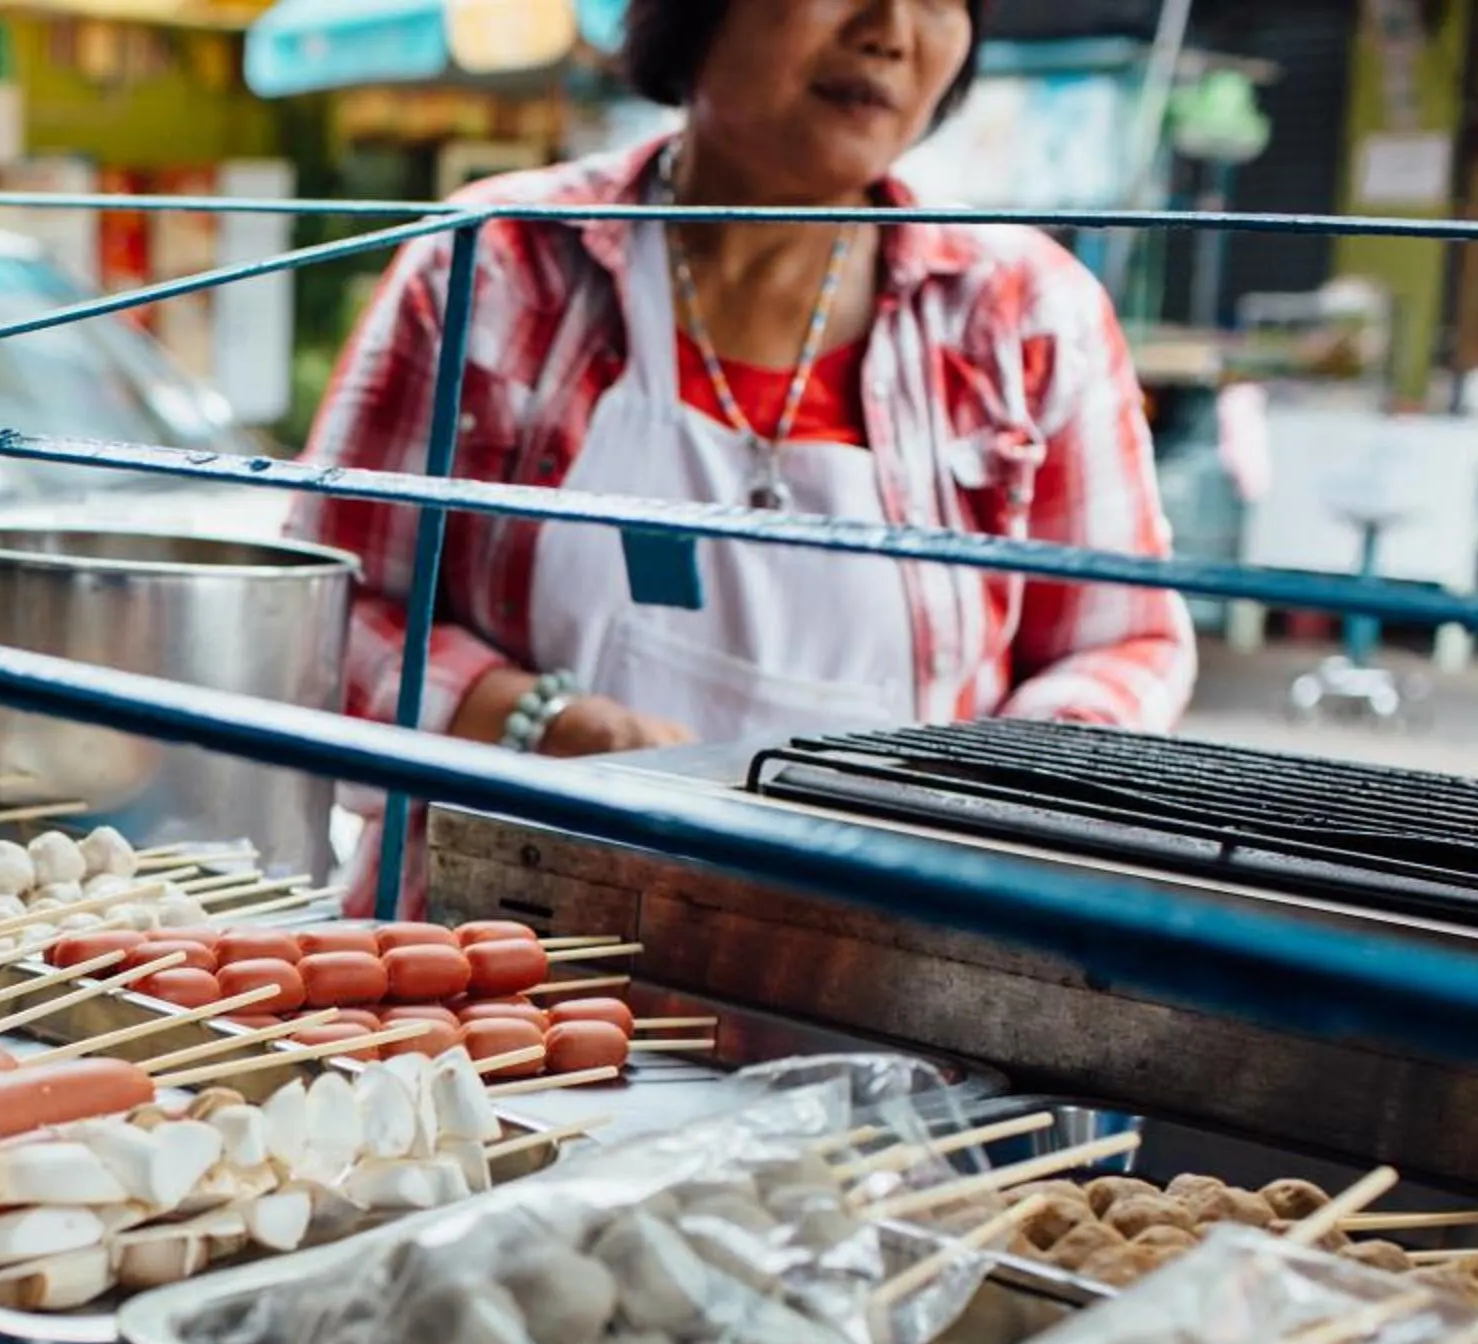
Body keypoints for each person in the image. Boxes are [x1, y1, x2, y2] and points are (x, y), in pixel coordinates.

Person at [299, 0, 1193, 910]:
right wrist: (539, 723)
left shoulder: (1026, 315)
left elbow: (1124, 642)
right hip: (482, 962)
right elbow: (326, 607)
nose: (890, 30)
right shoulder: (496, 262)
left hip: (883, 970)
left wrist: (981, 795)